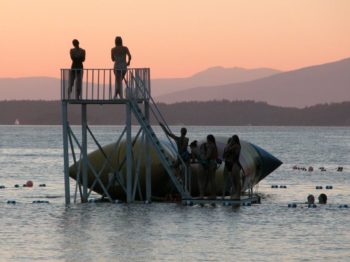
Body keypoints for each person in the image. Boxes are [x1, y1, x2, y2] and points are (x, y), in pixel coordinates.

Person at [202, 134, 218, 199]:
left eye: (207, 139)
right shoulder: (215, 145)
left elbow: (208, 155)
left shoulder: (210, 146)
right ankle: (213, 195)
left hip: (211, 163)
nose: (207, 141)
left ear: (209, 140)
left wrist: (203, 158)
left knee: (211, 180)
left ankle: (213, 195)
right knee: (212, 179)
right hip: (214, 162)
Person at [228, 135, 242, 200]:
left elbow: (228, 149)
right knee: (235, 180)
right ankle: (237, 194)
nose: (232, 141)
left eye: (232, 140)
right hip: (235, 164)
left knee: (236, 180)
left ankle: (237, 194)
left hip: (236, 164)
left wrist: (230, 144)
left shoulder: (236, 146)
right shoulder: (237, 146)